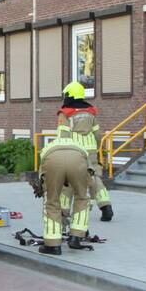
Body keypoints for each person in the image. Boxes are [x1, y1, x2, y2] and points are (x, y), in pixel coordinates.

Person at [56, 81, 114, 222]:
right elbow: (98, 135)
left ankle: (63, 212)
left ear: (70, 95)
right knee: (94, 179)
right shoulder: (90, 112)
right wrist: (97, 149)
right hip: (90, 151)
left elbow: (62, 136)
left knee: (67, 182)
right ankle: (106, 207)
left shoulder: (65, 114)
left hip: (73, 152)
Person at [38, 132, 91, 255]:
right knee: (82, 198)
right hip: (78, 159)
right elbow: (89, 176)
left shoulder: (49, 146)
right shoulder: (79, 145)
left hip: (52, 159)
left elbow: (43, 175)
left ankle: (53, 245)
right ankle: (76, 237)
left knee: (51, 202)